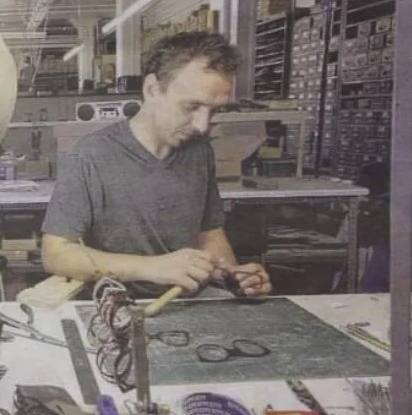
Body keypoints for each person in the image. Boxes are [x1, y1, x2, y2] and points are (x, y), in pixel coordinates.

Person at [41, 30, 272, 299]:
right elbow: (56, 253)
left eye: (214, 110)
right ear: (152, 89)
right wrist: (153, 268)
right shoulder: (90, 155)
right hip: (118, 303)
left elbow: (209, 234)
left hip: (187, 301)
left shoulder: (199, 152)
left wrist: (234, 275)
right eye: (191, 107)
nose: (202, 125)